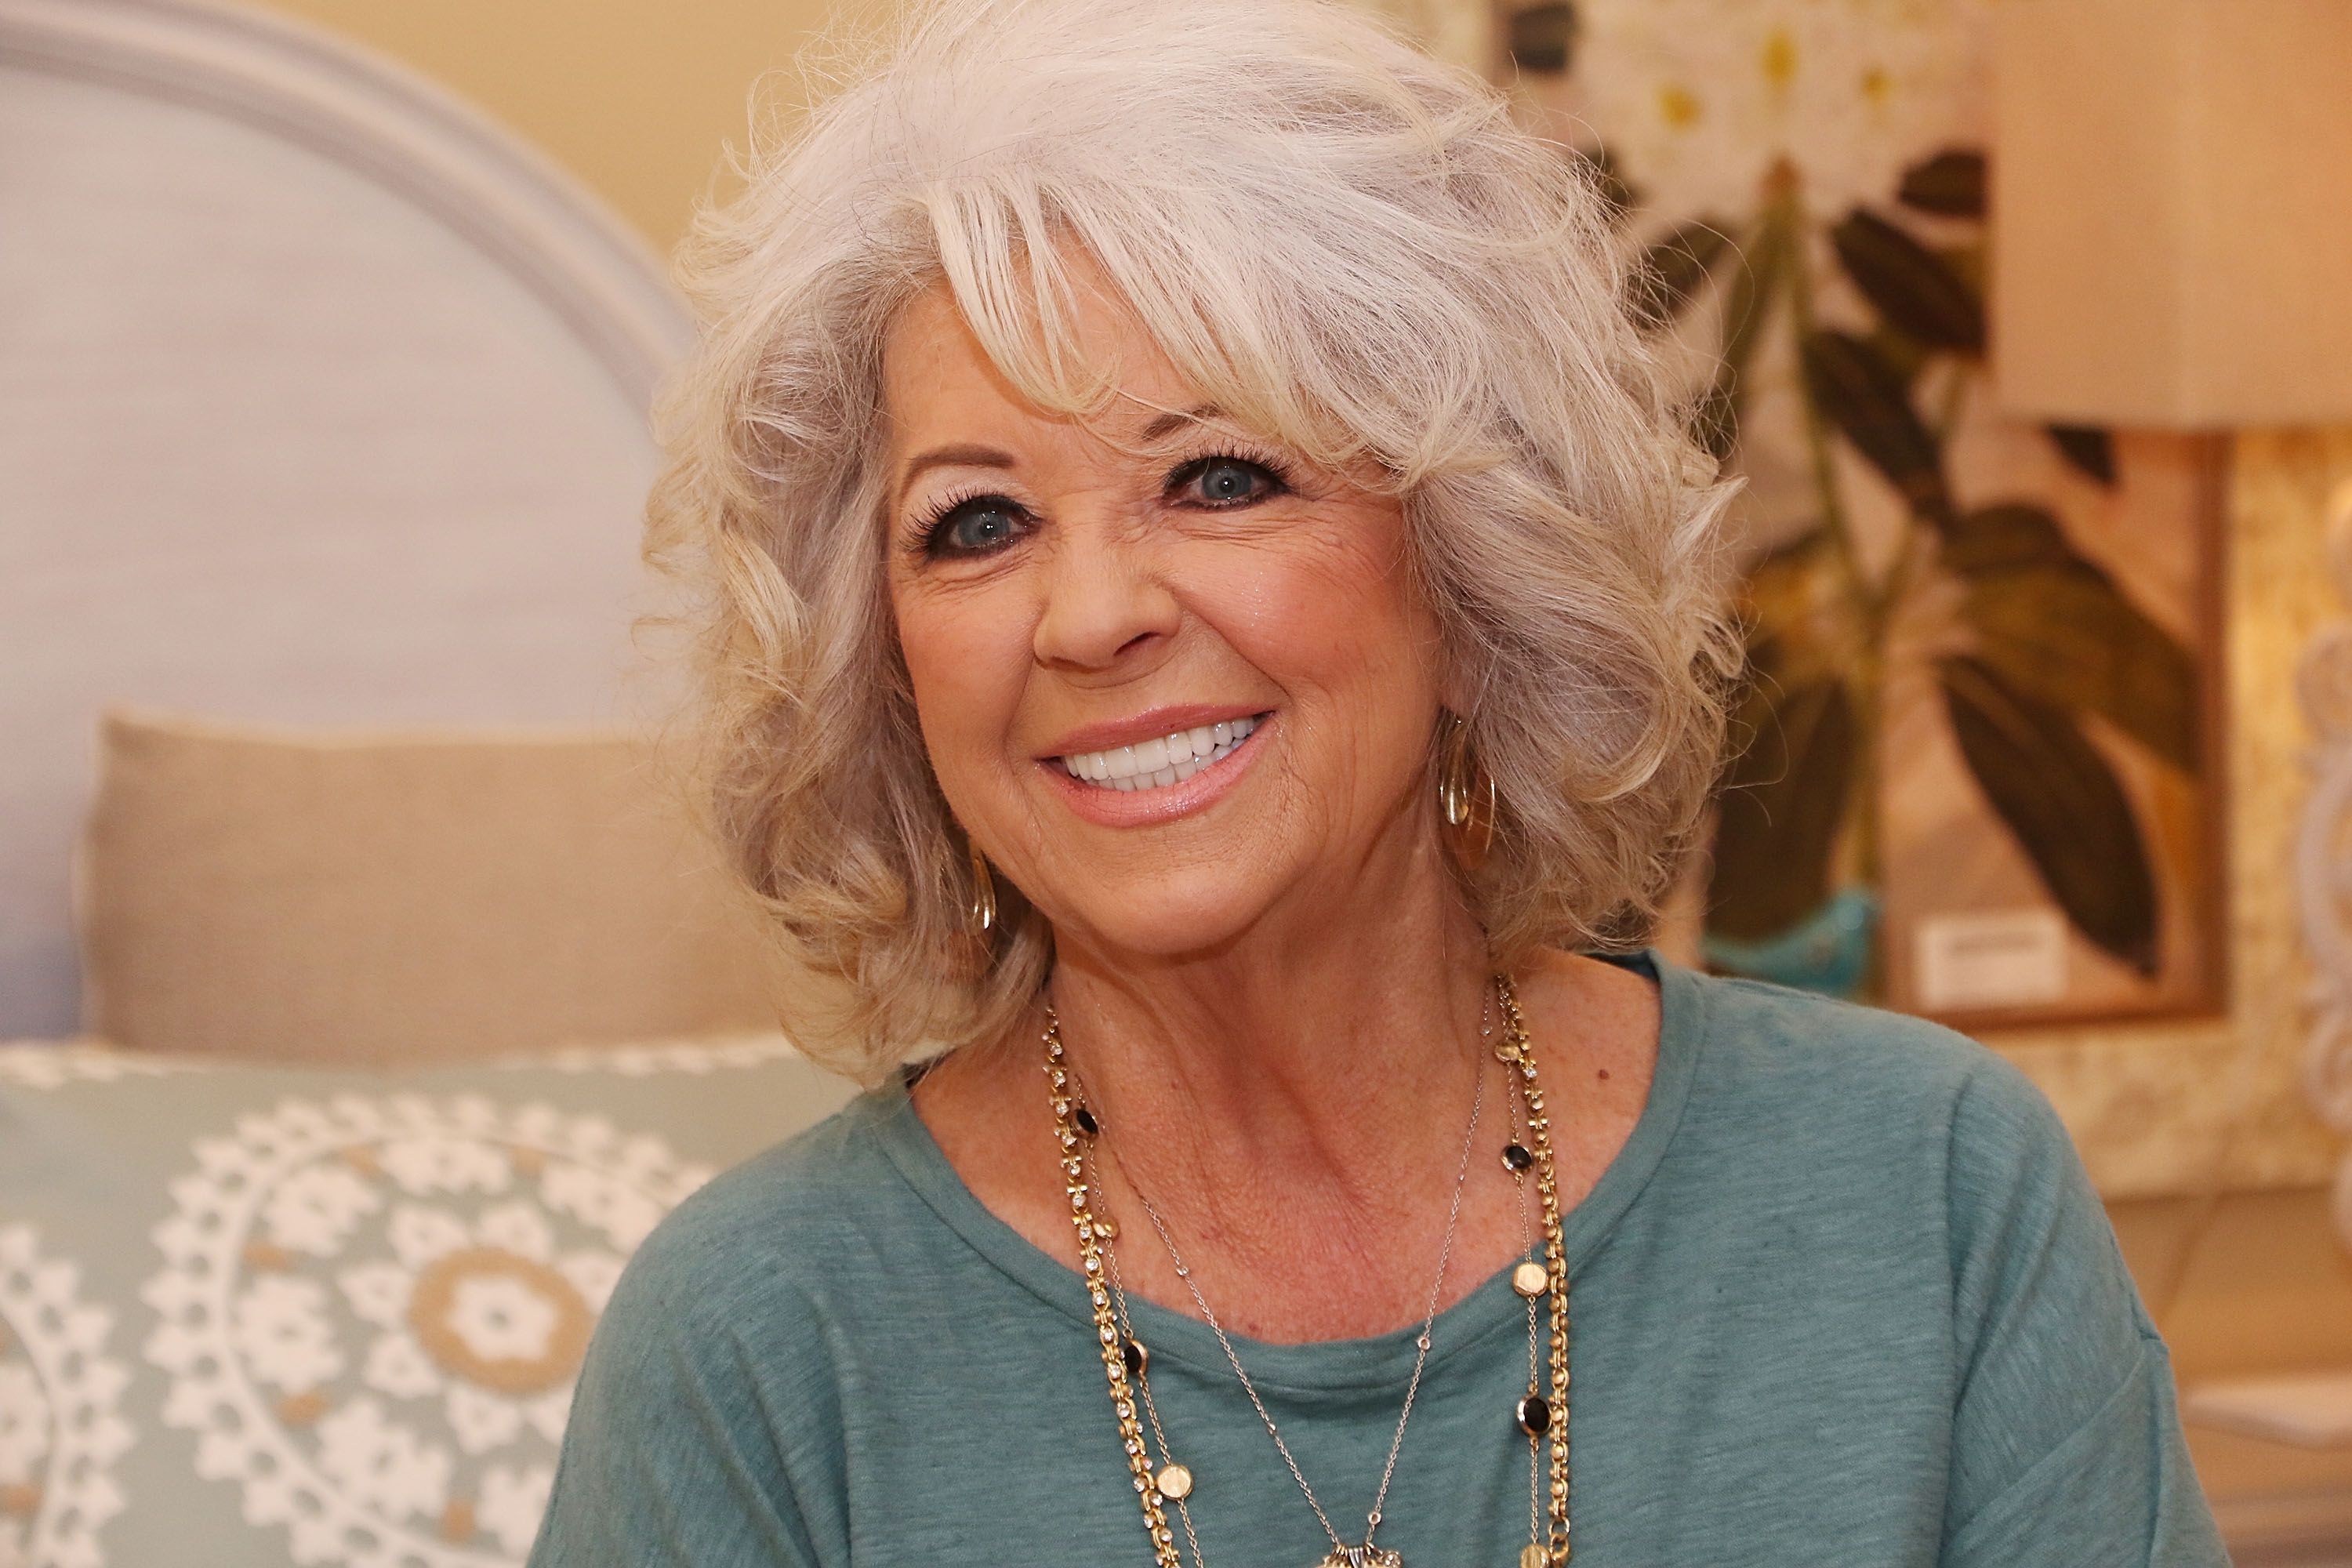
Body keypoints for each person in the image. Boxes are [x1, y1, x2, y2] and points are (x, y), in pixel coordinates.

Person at [528, 0, 2228, 1563]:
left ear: (1470, 560)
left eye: (1218, 474)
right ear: (887, 664)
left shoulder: (1924, 1199)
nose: (1097, 612)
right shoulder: (759, 1352)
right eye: (979, 521)